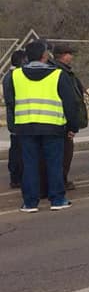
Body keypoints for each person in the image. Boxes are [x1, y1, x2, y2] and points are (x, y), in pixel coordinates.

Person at [3, 40, 83, 212]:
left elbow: (11, 101)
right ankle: (57, 199)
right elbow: (70, 104)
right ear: (44, 56)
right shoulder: (58, 75)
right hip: (52, 126)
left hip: (25, 126)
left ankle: (30, 202)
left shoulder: (15, 75)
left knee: (30, 164)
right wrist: (72, 126)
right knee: (54, 163)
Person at [51, 44, 88, 191]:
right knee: (64, 154)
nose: (71, 57)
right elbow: (68, 99)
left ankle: (60, 180)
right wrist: (72, 125)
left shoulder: (65, 71)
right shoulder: (60, 72)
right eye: (69, 54)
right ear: (62, 55)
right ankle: (61, 181)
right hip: (62, 120)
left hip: (61, 119)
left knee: (63, 153)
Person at [4, 49, 26, 188]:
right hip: (16, 119)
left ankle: (18, 176)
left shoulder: (14, 75)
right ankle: (15, 177)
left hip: (18, 118)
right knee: (17, 150)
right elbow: (11, 101)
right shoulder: (11, 77)